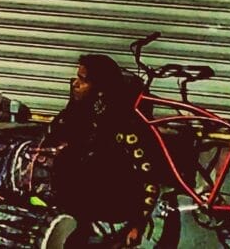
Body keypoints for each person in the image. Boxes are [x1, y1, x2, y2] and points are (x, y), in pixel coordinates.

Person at [41, 54, 163, 243]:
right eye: (77, 77)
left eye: (84, 80)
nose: (75, 84)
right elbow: (49, 142)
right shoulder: (74, 114)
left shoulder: (123, 125)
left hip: (110, 212)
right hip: (73, 208)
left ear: (101, 90)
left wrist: (138, 224)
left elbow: (149, 178)